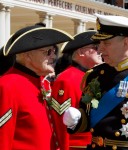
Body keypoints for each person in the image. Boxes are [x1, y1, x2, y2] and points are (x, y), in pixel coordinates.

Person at [63, 14, 128, 150]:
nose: (100, 49)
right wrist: (76, 120)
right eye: (99, 43)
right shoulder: (95, 75)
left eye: (106, 43)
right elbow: (88, 117)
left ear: (126, 42)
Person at [0, 22, 73, 150]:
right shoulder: (8, 85)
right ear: (27, 55)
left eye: (54, 51)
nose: (54, 56)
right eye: (48, 52)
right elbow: (2, 139)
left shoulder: (40, 82)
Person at [50, 30, 103, 150]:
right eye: (96, 47)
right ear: (81, 52)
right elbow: (60, 122)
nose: (101, 50)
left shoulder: (93, 76)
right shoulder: (67, 79)